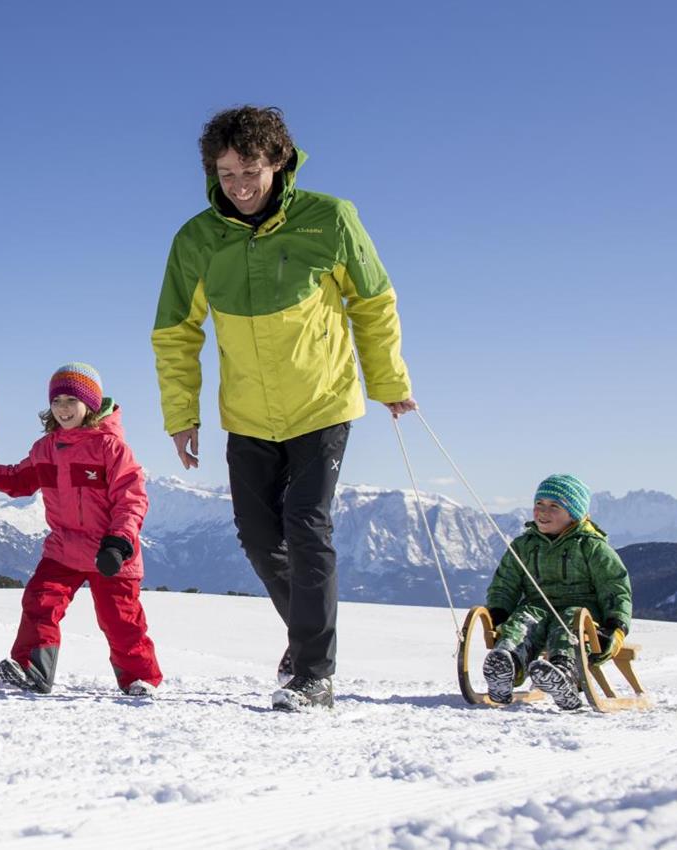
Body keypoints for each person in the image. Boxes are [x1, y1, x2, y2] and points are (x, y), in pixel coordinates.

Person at [150, 105, 416, 711]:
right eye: (225, 174)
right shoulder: (196, 240)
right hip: (246, 412)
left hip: (323, 401)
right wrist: (181, 414)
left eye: (251, 172)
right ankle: (305, 641)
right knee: (256, 535)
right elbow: (175, 334)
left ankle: (313, 671)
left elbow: (373, 305)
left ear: (279, 162)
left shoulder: (331, 220)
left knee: (305, 522)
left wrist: (389, 381)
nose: (239, 187)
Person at [0, 363, 161, 698]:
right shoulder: (47, 448)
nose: (63, 408)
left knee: (121, 620)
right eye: (57, 401)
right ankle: (33, 669)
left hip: (110, 552)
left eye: (72, 400)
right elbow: (20, 478)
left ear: (91, 404)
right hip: (64, 549)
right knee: (39, 601)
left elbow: (131, 499)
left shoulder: (111, 448)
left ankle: (139, 679)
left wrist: (118, 543)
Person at [481, 474, 633, 711]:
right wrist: (499, 614)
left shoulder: (592, 547)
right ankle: (506, 665)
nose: (543, 511)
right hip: (537, 606)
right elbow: (505, 584)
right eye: (539, 504)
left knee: (568, 624)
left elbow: (615, 589)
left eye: (554, 506)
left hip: (582, 613)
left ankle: (565, 673)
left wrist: (615, 628)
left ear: (573, 513)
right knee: (524, 619)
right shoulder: (524, 546)